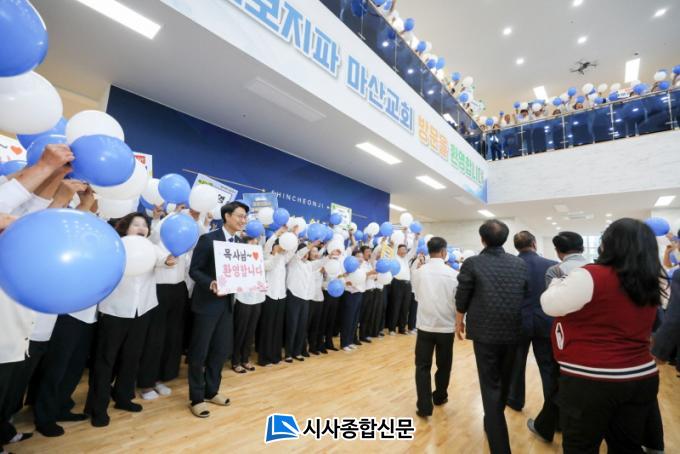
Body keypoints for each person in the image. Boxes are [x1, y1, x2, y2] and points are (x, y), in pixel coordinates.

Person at [541, 218, 664, 453]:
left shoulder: (590, 275)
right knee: (627, 445)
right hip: (641, 376)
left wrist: (556, 282)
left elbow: (550, 305)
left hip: (590, 379)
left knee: (581, 446)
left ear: (607, 244)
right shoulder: (650, 280)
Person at [87, 213, 172, 427]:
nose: (141, 227)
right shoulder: (114, 246)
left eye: (144, 225)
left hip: (142, 310)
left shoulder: (151, 248)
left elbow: (167, 260)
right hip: (114, 311)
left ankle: (123, 397)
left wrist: (173, 257)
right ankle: (97, 407)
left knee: (132, 357)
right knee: (105, 360)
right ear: (125, 227)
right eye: (136, 224)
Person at [455, 219, 529, 454]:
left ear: (482, 239)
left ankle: (500, 446)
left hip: (485, 333)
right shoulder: (519, 264)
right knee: (503, 382)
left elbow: (462, 294)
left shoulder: (473, 263)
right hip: (513, 331)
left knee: (490, 386)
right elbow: (525, 294)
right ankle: (491, 421)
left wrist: (459, 320)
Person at [187, 201, 248, 418]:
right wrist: (210, 283)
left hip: (227, 305)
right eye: (240, 216)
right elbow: (194, 270)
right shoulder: (208, 239)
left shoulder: (240, 244)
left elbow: (240, 273)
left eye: (245, 217)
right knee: (199, 352)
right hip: (206, 304)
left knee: (221, 350)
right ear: (227, 216)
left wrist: (253, 280)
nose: (243, 220)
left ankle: (211, 391)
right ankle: (196, 398)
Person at [526, 231, 589, 443]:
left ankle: (554, 424)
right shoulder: (594, 268)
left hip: (565, 332)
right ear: (582, 247)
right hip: (592, 332)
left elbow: (552, 306)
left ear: (558, 251)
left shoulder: (555, 270)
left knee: (558, 377)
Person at [506, 231, 558, 414]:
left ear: (516, 246)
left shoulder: (509, 266)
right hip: (546, 321)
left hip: (517, 322)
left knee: (516, 364)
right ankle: (552, 407)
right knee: (548, 366)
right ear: (534, 243)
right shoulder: (551, 265)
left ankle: (515, 399)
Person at [411, 237, 458, 418]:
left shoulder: (419, 272)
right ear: (444, 252)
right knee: (444, 365)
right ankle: (440, 396)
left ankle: (424, 406)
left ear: (429, 251)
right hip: (446, 327)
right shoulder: (453, 274)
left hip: (425, 325)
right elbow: (457, 301)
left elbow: (416, 296)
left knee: (422, 366)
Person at [231, 236, 265, 373]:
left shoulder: (259, 259)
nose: (254, 246)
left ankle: (245, 359)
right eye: (251, 243)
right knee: (240, 331)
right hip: (242, 298)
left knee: (250, 332)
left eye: (256, 244)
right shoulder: (238, 260)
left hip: (257, 298)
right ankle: (235, 361)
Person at [389, 238, 417, 335]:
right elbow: (392, 251)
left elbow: (413, 250)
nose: (405, 251)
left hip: (407, 285)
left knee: (405, 307)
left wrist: (416, 239)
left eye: (405, 249)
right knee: (396, 306)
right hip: (397, 283)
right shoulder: (394, 257)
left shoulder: (406, 258)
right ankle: (392, 329)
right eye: (402, 249)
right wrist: (393, 245)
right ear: (398, 250)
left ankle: (402, 329)